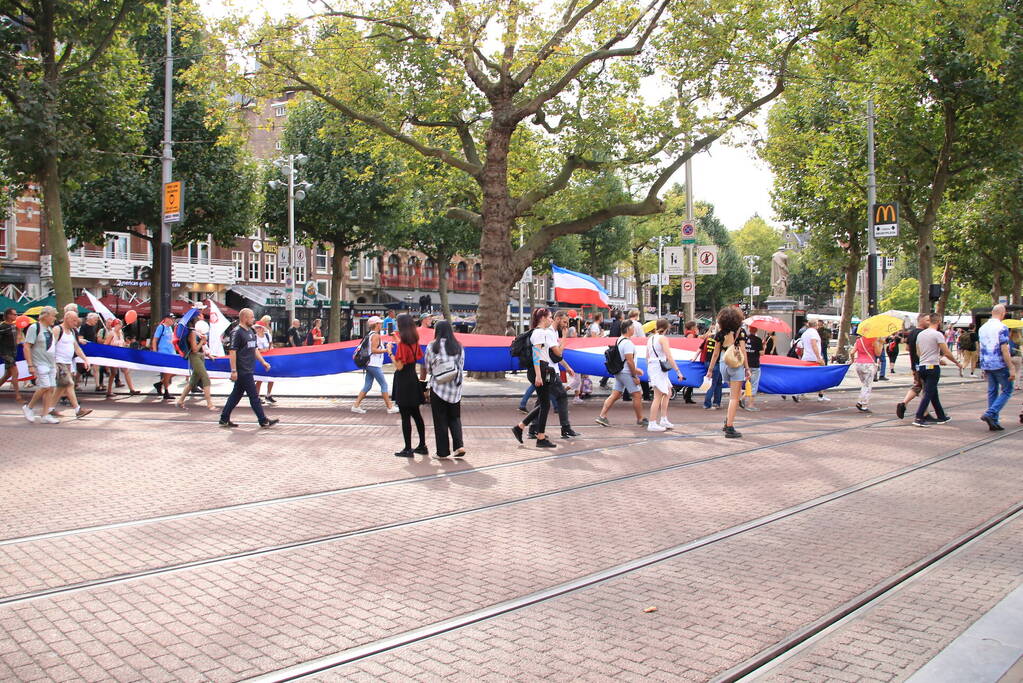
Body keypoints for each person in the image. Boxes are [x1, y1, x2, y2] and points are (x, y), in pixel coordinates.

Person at [219, 308, 278, 429]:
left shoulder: (251, 331)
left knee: (236, 395)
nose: (253, 319)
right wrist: (234, 370)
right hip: (242, 370)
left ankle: (224, 418)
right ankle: (263, 420)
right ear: (245, 318)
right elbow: (232, 351)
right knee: (254, 396)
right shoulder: (237, 332)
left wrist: (263, 362)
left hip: (248, 368)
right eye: (251, 317)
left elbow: (254, 349)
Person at [512, 308, 560, 448]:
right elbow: (536, 355)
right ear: (543, 318)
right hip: (540, 369)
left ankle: (521, 427)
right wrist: (539, 375)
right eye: (550, 317)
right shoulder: (539, 333)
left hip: (543, 369)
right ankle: (540, 437)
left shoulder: (540, 332)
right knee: (545, 404)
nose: (551, 320)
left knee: (544, 403)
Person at [705, 306, 750, 439]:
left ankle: (727, 420)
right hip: (736, 365)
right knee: (734, 398)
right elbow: (743, 352)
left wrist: (710, 370)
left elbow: (715, 354)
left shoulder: (719, 334)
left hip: (723, 364)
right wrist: (747, 368)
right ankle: (729, 426)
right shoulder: (740, 333)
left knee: (733, 394)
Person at [595, 319, 647, 428]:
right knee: (637, 395)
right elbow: (629, 361)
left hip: (619, 371)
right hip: (626, 372)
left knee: (616, 394)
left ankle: (602, 416)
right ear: (629, 329)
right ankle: (640, 419)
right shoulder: (628, 343)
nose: (634, 330)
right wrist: (634, 375)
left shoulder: (619, 340)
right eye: (633, 328)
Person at [912, 313, 961, 427]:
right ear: (938, 322)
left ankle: (941, 416)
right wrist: (956, 362)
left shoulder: (921, 334)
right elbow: (947, 352)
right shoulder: (937, 334)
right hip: (933, 367)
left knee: (933, 392)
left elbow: (918, 352)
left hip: (922, 366)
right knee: (928, 393)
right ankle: (919, 417)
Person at [391, 313, 429, 458]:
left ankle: (408, 448)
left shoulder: (402, 345)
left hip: (403, 380)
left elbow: (399, 366)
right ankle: (422, 445)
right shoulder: (414, 341)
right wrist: (397, 340)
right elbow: (415, 356)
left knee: (405, 416)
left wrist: (390, 352)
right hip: (413, 379)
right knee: (417, 414)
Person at [426, 320, 466, 458]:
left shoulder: (432, 346)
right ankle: (459, 445)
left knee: (440, 419)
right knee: (455, 417)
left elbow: (428, 367)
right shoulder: (458, 346)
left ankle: (442, 452)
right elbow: (461, 366)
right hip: (455, 389)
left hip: (438, 387)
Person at [46, 311, 93, 421]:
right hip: (59, 362)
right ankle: (78, 410)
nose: (76, 323)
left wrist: (85, 359)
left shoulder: (72, 331)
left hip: (68, 363)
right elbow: (50, 346)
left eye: (76, 320)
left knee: (61, 387)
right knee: (69, 384)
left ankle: (49, 409)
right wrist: (52, 363)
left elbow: (76, 347)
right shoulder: (58, 329)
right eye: (74, 320)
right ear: (66, 318)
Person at [978, 304, 1015, 431]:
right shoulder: (1002, 327)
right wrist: (1011, 367)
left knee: (992, 391)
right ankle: (990, 413)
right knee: (1007, 390)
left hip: (987, 364)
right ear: (1003, 313)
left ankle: (993, 421)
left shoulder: (982, 328)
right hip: (999, 363)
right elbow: (1004, 349)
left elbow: (981, 348)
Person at [351, 316, 398, 414]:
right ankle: (389, 407)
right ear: (376, 325)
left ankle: (356, 405)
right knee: (384, 384)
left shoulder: (369, 334)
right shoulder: (376, 335)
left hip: (369, 363)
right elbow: (374, 350)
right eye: (380, 323)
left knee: (367, 386)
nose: (381, 324)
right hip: (374, 364)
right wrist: (387, 349)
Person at [22, 307, 59, 423]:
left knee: (51, 388)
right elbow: (27, 347)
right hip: (40, 362)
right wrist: (30, 365)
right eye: (53, 315)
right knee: (45, 386)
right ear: (46, 316)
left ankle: (45, 414)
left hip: (50, 363)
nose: (54, 318)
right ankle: (29, 407)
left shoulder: (49, 329)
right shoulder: (34, 328)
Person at [646, 318, 683, 431]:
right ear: (667, 327)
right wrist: (678, 371)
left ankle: (663, 419)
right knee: (658, 396)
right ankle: (652, 423)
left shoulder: (650, 338)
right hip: (659, 368)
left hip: (654, 366)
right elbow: (669, 356)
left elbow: (647, 356)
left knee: (668, 392)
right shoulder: (663, 339)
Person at [896, 313, 933, 421]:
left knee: (918, 385)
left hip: (914, 365)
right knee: (926, 388)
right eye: (927, 320)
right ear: (920, 321)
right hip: (923, 364)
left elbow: (907, 348)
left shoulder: (911, 333)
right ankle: (923, 413)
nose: (929, 322)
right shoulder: (923, 334)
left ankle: (905, 404)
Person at [175, 316, 215, 411]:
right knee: (205, 378)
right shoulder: (192, 333)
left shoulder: (197, 332)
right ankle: (209, 404)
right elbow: (194, 349)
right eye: (198, 318)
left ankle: (180, 401)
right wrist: (202, 341)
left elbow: (200, 348)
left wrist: (207, 353)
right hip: (195, 356)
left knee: (193, 382)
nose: (200, 319)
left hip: (200, 356)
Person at [104, 319, 139, 397]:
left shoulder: (120, 333)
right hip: (113, 355)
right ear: (115, 325)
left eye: (121, 324)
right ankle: (109, 391)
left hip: (121, 355)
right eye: (119, 324)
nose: (121, 326)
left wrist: (126, 344)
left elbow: (122, 343)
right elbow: (105, 345)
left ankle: (131, 389)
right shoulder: (111, 333)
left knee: (126, 371)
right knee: (113, 373)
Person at [798, 320, 830, 402]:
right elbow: (814, 344)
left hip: (806, 357)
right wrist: (819, 357)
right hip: (814, 358)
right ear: (816, 325)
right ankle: (820, 395)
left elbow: (802, 346)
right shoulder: (814, 333)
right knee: (822, 376)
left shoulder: (805, 333)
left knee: (804, 376)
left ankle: (797, 393)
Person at [851, 334, 881, 413]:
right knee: (867, 385)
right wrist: (881, 343)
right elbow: (878, 353)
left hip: (858, 364)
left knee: (864, 384)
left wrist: (851, 360)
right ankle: (863, 404)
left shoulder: (858, 340)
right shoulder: (874, 340)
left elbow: (852, 352)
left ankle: (861, 401)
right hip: (869, 364)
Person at [0, 307, 24, 402]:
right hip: (6, 354)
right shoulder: (3, 327)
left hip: (12, 353)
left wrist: (19, 331)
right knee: (15, 373)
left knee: (7, 374)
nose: (16, 316)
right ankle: (18, 397)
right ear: (8, 315)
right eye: (14, 314)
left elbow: (17, 341)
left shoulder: (14, 326)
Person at [150, 313, 176, 400]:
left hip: (171, 352)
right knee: (167, 372)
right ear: (166, 319)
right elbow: (155, 339)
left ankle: (160, 384)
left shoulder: (170, 328)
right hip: (164, 352)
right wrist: (155, 352)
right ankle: (166, 391)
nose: (173, 320)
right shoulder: (161, 327)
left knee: (174, 371)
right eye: (171, 319)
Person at [740, 326, 763, 412]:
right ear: (756, 330)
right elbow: (762, 353)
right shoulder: (758, 340)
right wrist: (763, 346)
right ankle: (750, 404)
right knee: (753, 385)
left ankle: (742, 397)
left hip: (745, 365)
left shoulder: (744, 339)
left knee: (748, 384)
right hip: (755, 365)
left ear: (749, 329)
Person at [254, 316, 276, 404]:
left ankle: (268, 394)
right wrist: (262, 350)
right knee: (260, 378)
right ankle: (257, 396)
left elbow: (271, 345)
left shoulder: (267, 335)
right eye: (256, 328)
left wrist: (270, 349)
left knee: (271, 377)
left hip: (269, 358)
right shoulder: (254, 337)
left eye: (259, 328)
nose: (258, 329)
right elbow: (253, 349)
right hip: (259, 359)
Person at [702, 325, 722, 410]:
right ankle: (707, 403)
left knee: (718, 383)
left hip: (707, 361)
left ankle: (717, 402)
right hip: (715, 363)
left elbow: (701, 348)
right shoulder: (720, 338)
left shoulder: (709, 337)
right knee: (713, 384)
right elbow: (717, 353)